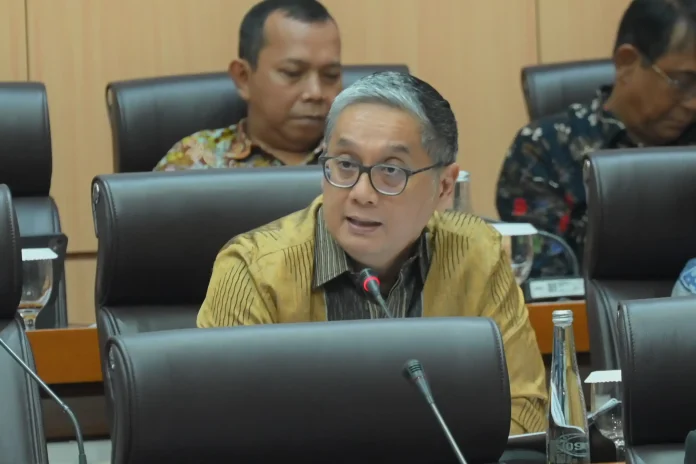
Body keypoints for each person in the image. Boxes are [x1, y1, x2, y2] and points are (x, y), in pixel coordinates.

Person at [197, 71, 548, 435]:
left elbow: (526, 413)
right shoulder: (253, 271)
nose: (361, 193)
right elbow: (222, 429)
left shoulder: (478, 255)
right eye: (346, 164)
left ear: (444, 186)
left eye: (390, 171)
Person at [496, 0, 696, 276]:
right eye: (684, 82)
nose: (693, 103)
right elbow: (544, 280)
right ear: (627, 62)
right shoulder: (545, 148)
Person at [153, 0, 341, 171]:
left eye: (330, 75)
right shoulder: (197, 160)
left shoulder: (354, 154)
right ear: (243, 78)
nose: (315, 92)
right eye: (292, 73)